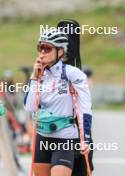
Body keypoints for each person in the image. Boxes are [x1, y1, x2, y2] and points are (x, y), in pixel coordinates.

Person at [24, 28, 93, 176]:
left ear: (60, 52)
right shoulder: (39, 74)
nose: (42, 52)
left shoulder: (73, 74)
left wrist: (85, 139)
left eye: (47, 48)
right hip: (42, 137)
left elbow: (85, 108)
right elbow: (29, 107)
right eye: (40, 47)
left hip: (65, 138)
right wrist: (34, 78)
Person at [57, 19, 94, 176]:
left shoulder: (76, 73)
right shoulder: (50, 70)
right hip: (59, 133)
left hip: (73, 133)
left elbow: (84, 108)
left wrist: (85, 137)